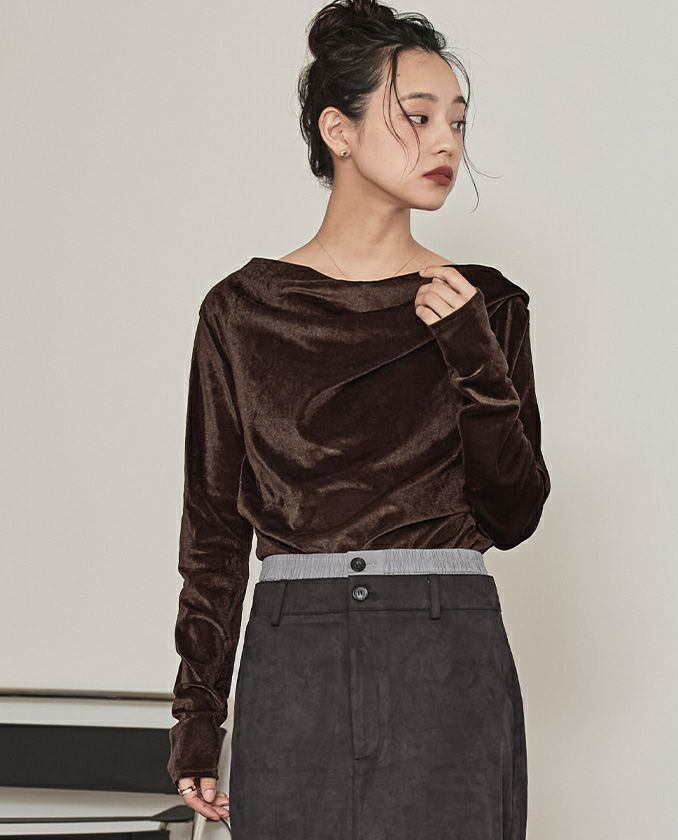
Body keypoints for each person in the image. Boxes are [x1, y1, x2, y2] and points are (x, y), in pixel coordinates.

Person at [166, 1, 551, 837]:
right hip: (293, 657)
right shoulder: (243, 311)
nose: (447, 143)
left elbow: (514, 516)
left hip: (446, 653)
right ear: (337, 131)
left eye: (458, 121)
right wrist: (198, 714)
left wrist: (474, 361)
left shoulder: (486, 306)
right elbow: (214, 530)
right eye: (418, 116)